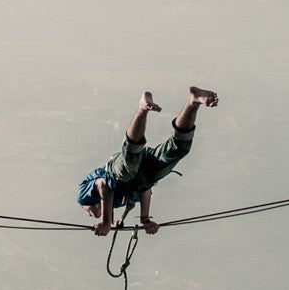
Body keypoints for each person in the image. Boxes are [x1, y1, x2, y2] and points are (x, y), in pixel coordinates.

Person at [78, 87, 219, 237]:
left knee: (130, 162)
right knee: (178, 149)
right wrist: (145, 220)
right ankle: (193, 101)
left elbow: (104, 185)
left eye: (87, 212)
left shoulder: (83, 197)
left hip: (116, 173)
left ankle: (142, 109)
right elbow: (146, 189)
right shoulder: (118, 202)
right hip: (143, 176)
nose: (89, 214)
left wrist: (105, 221)